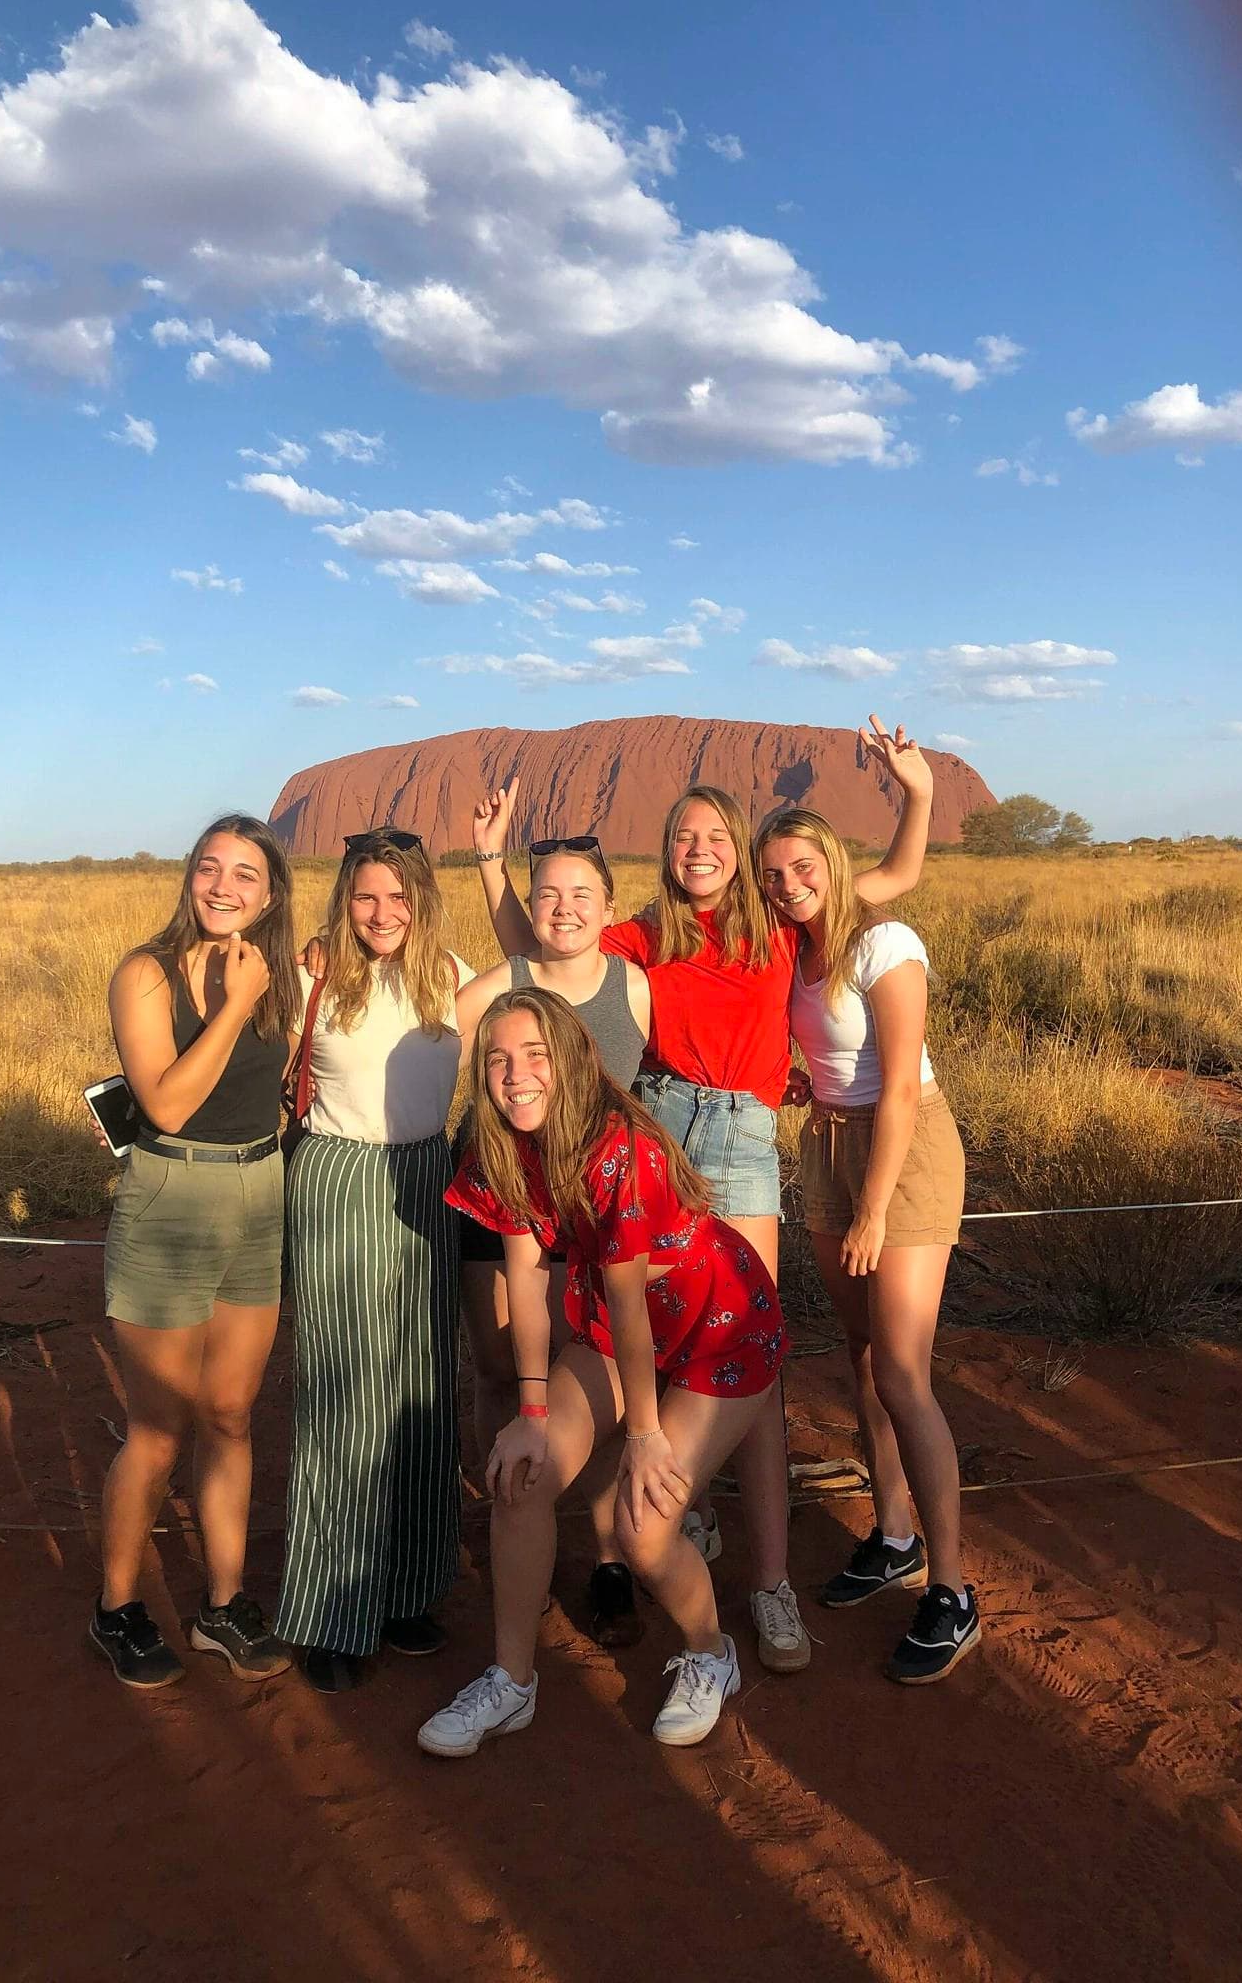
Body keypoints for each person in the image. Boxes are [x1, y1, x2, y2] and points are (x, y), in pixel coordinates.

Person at [471, 717, 932, 1676]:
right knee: (643, 1325)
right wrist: (488, 869)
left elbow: (889, 879)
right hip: (661, 1124)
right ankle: (675, 1525)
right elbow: (546, 955)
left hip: (744, 1132)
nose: (700, 851)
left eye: (717, 837)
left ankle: (767, 1583)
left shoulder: (774, 918)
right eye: (684, 838)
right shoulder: (647, 932)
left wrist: (918, 795)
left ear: (741, 847)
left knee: (744, 1351)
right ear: (667, 853)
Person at [417, 989, 786, 1756]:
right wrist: (530, 1411)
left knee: (644, 1525)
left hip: (719, 1326)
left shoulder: (619, 1146)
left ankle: (712, 1654)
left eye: (533, 1057)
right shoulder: (500, 1146)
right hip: (621, 1329)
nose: (515, 1077)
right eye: (497, 1061)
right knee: (524, 1473)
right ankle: (511, 1682)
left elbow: (627, 1301)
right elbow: (524, 1276)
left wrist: (645, 1435)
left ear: (573, 1061)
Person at [758, 806, 978, 1682]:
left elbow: (895, 1085)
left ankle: (952, 1592)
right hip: (829, 1146)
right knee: (858, 1353)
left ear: (832, 861)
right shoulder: (792, 944)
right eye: (773, 874)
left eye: (803, 866)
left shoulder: (884, 944)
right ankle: (892, 1535)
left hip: (906, 1149)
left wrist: (876, 1209)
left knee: (901, 1372)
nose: (788, 884)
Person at [92, 815, 301, 1690]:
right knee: (157, 1428)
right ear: (189, 878)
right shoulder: (146, 974)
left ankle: (221, 1604)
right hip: (173, 1195)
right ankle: (118, 1609)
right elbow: (168, 1106)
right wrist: (238, 1005)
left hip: (260, 1196)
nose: (223, 887)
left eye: (245, 875)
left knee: (229, 1415)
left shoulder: (281, 973)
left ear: (272, 893)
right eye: (210, 869)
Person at [273, 830, 471, 1693]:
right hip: (340, 1177)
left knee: (424, 1385)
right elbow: (258, 1072)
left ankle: (407, 1592)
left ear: (423, 898)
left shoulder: (453, 976)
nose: (383, 913)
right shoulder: (312, 977)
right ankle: (330, 1611)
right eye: (366, 896)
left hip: (430, 1176)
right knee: (344, 1391)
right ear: (343, 900)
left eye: (399, 896)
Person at [453, 835, 652, 1648]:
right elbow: (430, 1036)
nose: (563, 908)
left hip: (590, 1212)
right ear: (525, 910)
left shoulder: (636, 986)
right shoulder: (504, 981)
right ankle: (516, 1535)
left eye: (579, 894)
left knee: (589, 1379)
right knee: (501, 1366)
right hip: (498, 1195)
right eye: (545, 896)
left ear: (610, 906)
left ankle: (607, 1557)